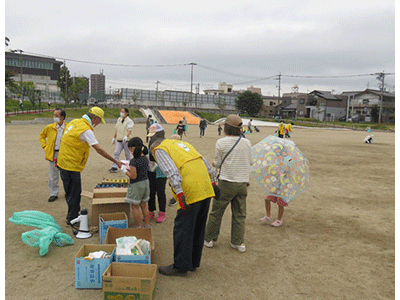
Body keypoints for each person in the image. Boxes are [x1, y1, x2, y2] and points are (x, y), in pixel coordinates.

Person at [150, 138, 219, 276]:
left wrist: (180, 193)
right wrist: (212, 183)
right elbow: (203, 161)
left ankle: (181, 266)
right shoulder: (184, 145)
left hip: (190, 189)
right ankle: (192, 262)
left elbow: (171, 171)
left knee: (183, 227)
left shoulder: (160, 149)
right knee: (198, 226)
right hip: (205, 186)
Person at [57, 107, 122, 224]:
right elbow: (98, 149)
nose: (98, 124)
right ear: (95, 118)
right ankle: (72, 218)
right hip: (71, 164)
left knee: (69, 191)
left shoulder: (75, 122)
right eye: (99, 121)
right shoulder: (86, 130)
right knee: (75, 192)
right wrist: (115, 161)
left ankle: (71, 214)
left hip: (63, 161)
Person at [204, 115, 252, 253]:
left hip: (226, 182)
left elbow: (217, 163)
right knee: (240, 213)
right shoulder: (247, 143)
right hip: (242, 183)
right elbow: (251, 161)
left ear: (226, 127)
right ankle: (238, 242)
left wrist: (215, 164)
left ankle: (209, 239)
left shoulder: (221, 142)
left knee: (217, 212)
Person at [120, 137, 151, 228]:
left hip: (137, 185)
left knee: (135, 207)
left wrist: (124, 170)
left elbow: (133, 176)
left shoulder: (134, 161)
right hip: (145, 182)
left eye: (130, 148)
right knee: (144, 206)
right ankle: (147, 224)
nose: (130, 150)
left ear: (133, 148)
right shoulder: (145, 158)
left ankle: (138, 227)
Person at [39, 109, 68, 202]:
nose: (54, 117)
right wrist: (45, 146)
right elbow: (42, 136)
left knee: (66, 174)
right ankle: (53, 193)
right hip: (54, 153)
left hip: (65, 153)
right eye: (54, 115)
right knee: (53, 175)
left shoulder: (68, 127)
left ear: (62, 117)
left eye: (56, 115)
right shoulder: (50, 127)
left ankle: (68, 192)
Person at [147, 123, 168, 223]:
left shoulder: (165, 143)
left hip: (161, 171)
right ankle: (151, 210)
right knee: (151, 191)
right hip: (151, 169)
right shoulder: (151, 141)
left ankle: (162, 212)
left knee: (160, 192)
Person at [109, 108, 134, 173]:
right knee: (116, 153)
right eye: (121, 111)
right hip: (119, 140)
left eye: (123, 111)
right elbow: (116, 129)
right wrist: (114, 138)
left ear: (126, 113)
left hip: (127, 140)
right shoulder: (119, 119)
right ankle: (114, 167)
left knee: (127, 154)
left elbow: (129, 129)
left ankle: (130, 167)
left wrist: (126, 136)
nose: (121, 113)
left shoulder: (129, 121)